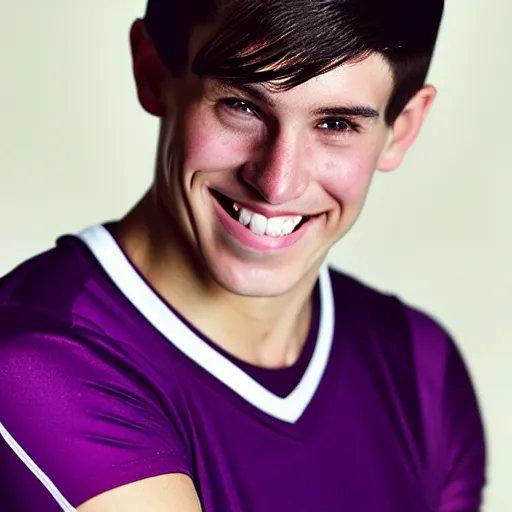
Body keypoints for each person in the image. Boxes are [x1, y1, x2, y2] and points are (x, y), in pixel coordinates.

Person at [0, 0, 486, 510]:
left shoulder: (419, 366)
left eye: (337, 124)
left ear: (402, 127)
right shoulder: (33, 369)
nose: (277, 183)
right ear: (152, 74)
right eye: (243, 105)